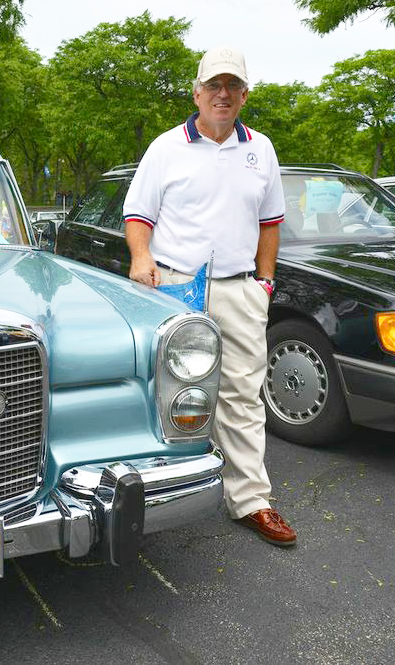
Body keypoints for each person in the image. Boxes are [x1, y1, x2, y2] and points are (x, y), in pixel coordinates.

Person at [122, 46, 295, 546]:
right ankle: (157, 490)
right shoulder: (165, 147)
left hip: (240, 288)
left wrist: (264, 282)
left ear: (244, 95)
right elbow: (138, 215)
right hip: (175, 287)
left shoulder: (260, 149)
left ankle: (251, 501)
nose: (223, 95)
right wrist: (141, 258)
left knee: (241, 393)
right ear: (196, 92)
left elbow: (270, 223)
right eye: (213, 86)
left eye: (232, 87)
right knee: (163, 390)